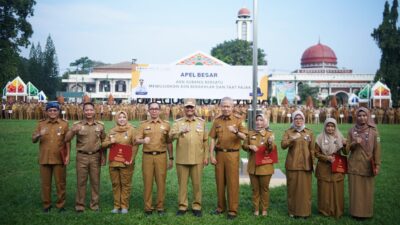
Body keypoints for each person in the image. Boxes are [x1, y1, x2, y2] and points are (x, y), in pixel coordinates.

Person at [209, 97, 247, 220]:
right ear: (220, 107)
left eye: (228, 106)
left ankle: (232, 210)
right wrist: (211, 155)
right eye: (223, 106)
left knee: (232, 182)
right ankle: (220, 207)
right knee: (219, 182)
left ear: (232, 107)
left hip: (232, 155)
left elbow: (244, 137)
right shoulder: (217, 121)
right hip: (219, 154)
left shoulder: (239, 120)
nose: (225, 108)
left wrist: (236, 132)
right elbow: (213, 139)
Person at [169, 98, 209, 217]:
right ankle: (182, 206)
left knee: (197, 184)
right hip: (182, 159)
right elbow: (170, 137)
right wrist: (180, 132)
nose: (190, 109)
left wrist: (206, 156)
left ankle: (197, 206)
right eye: (187, 107)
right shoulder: (178, 123)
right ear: (184, 108)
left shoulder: (201, 122)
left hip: (198, 159)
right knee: (182, 184)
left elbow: (206, 141)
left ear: (195, 108)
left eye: (191, 107)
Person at [65, 102, 106, 213]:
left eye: (91, 110)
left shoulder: (100, 126)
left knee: (95, 181)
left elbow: (104, 142)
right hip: (82, 156)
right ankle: (80, 205)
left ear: (94, 111)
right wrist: (73, 130)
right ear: (83, 112)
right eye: (86, 110)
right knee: (81, 181)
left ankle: (94, 205)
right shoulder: (77, 124)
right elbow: (67, 139)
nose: (89, 112)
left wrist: (103, 156)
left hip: (95, 156)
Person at [136, 102, 173, 216]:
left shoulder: (166, 125)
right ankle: (148, 207)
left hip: (161, 156)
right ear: (149, 111)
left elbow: (169, 142)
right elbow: (136, 140)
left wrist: (171, 157)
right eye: (151, 109)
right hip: (147, 156)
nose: (154, 111)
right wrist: (143, 141)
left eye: (156, 109)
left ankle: (160, 207)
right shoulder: (143, 125)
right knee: (148, 182)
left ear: (160, 111)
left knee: (161, 182)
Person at [32, 102, 70, 213]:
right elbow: (33, 139)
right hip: (45, 158)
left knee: (60, 183)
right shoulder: (41, 124)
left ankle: (61, 205)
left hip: (59, 158)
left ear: (58, 111)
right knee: (45, 183)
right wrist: (39, 134)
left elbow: (67, 142)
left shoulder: (64, 124)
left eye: (55, 110)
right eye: (50, 110)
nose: (52, 112)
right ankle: (46, 204)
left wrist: (67, 155)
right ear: (46, 112)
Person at [345, 107, 381, 219]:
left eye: (364, 115)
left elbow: (377, 149)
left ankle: (366, 213)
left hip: (367, 165)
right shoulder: (351, 131)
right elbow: (346, 150)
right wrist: (354, 143)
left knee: (367, 190)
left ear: (368, 116)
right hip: (354, 165)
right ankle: (355, 212)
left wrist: (377, 164)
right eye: (360, 116)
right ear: (357, 117)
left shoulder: (374, 131)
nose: (362, 118)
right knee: (355, 190)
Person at [102, 111, 139, 214]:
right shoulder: (112, 130)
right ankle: (116, 206)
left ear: (127, 118)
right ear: (116, 119)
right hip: (114, 162)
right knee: (115, 184)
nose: (122, 119)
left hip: (126, 163)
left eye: (124, 117)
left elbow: (135, 145)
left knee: (125, 184)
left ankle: (124, 206)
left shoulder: (132, 130)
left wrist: (132, 158)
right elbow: (103, 144)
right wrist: (110, 142)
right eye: (120, 117)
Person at [281, 110, 315, 218]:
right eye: (296, 118)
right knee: (293, 189)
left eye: (300, 118)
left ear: (304, 119)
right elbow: (283, 145)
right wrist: (292, 139)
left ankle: (305, 212)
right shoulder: (288, 132)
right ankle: (293, 211)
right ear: (293, 120)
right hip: (292, 165)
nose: (298, 121)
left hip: (306, 165)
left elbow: (313, 149)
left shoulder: (309, 132)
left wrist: (313, 164)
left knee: (305, 190)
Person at [242, 114, 275, 216]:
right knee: (255, 189)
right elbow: (243, 146)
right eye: (257, 120)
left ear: (265, 122)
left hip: (265, 167)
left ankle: (264, 209)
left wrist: (270, 143)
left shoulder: (270, 134)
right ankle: (256, 208)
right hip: (253, 167)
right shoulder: (250, 133)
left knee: (264, 189)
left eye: (261, 120)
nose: (259, 122)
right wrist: (249, 146)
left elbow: (272, 150)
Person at [315, 118, 346, 218]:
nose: (330, 128)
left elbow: (346, 152)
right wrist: (326, 158)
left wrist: (345, 144)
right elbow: (316, 153)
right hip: (324, 167)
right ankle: (324, 211)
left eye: (332, 126)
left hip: (337, 167)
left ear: (335, 127)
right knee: (324, 189)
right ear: (325, 126)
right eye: (328, 126)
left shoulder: (340, 137)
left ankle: (337, 210)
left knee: (337, 189)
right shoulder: (319, 138)